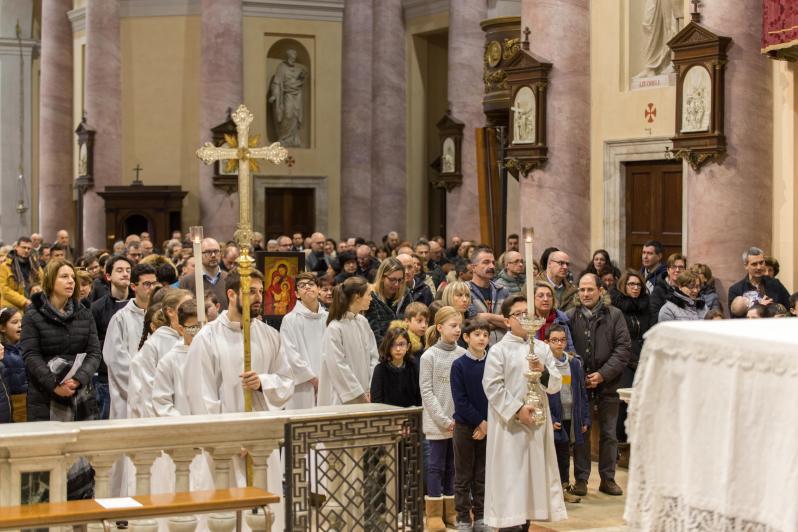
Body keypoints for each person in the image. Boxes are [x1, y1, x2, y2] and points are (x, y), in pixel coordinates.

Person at [482, 294, 566, 529]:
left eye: (527, 314)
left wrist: (543, 371)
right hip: (510, 426)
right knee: (511, 480)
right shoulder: (499, 350)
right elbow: (492, 386)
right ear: (507, 321)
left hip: (537, 424)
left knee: (531, 484)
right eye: (518, 315)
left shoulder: (542, 348)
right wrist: (517, 409)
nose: (524, 318)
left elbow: (556, 383)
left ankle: (526, 524)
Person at [565, 273, 631, 497]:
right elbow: (565, 348)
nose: (585, 294)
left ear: (600, 290)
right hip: (580, 385)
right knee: (582, 433)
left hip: (608, 384)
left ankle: (608, 478)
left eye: (589, 289)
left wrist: (602, 374)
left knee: (609, 434)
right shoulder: (570, 316)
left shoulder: (615, 315)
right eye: (581, 290)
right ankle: (581, 479)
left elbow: (623, 349)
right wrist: (579, 374)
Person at [21, 259, 102, 424]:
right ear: (51, 280)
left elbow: (94, 352)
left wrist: (78, 379)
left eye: (72, 277)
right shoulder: (32, 314)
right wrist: (55, 385)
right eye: (64, 276)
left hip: (80, 392)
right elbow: (31, 355)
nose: (71, 281)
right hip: (45, 394)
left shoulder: (84, 313)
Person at [420, 306, 466, 531]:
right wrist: (443, 419)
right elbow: (426, 391)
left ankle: (452, 510)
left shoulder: (462, 354)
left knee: (453, 467)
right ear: (439, 328)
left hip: (458, 421)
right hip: (437, 421)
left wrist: (460, 417)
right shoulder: (429, 356)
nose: (458, 330)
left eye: (459, 326)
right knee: (436, 466)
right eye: (453, 326)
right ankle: (434, 514)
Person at [450, 318, 491, 531]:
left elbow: (494, 394)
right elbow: (460, 400)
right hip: (465, 427)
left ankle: (482, 516)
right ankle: (463, 518)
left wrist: (487, 424)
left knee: (482, 475)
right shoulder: (459, 365)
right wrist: (480, 422)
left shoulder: (492, 362)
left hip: (488, 426)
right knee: (463, 475)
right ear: (466, 338)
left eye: (485, 334)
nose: (482, 338)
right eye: (477, 334)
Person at [101, 262, 156, 419]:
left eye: (154, 283)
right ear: (133, 286)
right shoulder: (120, 319)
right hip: (129, 398)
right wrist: (144, 389)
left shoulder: (162, 318)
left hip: (158, 396)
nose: (151, 288)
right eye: (146, 284)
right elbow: (117, 363)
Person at [127, 288, 192, 418]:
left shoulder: (195, 339)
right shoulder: (155, 344)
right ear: (170, 311)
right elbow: (148, 394)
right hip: (168, 419)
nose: (190, 311)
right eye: (184, 306)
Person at [545, 324, 589, 505]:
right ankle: (550, 491)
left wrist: (584, 417)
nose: (559, 344)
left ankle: (564, 487)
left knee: (565, 455)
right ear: (546, 342)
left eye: (562, 340)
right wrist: (551, 418)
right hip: (554, 417)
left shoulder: (574, 363)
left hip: (571, 415)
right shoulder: (544, 365)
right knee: (553, 454)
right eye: (554, 340)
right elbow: (542, 393)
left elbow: (582, 392)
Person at [318, 276, 379, 406]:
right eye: (369, 294)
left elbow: (374, 356)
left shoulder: (363, 322)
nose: (371, 298)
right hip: (342, 397)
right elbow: (337, 366)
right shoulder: (335, 328)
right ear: (357, 297)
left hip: (367, 392)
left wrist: (371, 387)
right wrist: (358, 393)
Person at [610, 270, 650, 445]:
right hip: (624, 359)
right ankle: (621, 442)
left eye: (638, 285)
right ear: (623, 286)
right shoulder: (616, 308)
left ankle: (639, 441)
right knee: (624, 401)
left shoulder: (645, 306)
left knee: (643, 401)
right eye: (631, 284)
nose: (635, 288)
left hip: (643, 358)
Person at [280, 272, 327, 409]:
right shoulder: (290, 319)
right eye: (302, 285)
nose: (307, 287)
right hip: (302, 385)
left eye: (311, 284)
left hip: (328, 382)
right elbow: (290, 354)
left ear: (318, 289)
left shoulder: (329, 318)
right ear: (297, 294)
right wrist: (313, 379)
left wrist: (325, 380)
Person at [152, 300, 200, 417]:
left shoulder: (213, 354)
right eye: (193, 328)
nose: (200, 333)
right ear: (181, 329)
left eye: (203, 326)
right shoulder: (169, 361)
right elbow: (161, 402)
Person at [467, 246, 509, 346]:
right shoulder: (465, 291)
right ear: (473, 267)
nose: (491, 266)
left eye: (493, 263)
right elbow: (468, 325)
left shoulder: (503, 291)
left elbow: (511, 322)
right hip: (476, 348)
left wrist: (485, 316)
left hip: (502, 347)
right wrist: (500, 320)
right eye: (486, 262)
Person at [370, 326, 421, 408]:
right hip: (388, 417)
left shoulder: (413, 367)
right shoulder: (380, 369)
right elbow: (376, 401)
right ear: (388, 346)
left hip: (411, 416)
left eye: (401, 344)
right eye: (393, 345)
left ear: (408, 346)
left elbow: (419, 396)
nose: (398, 349)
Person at [365, 257, 409, 346]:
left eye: (400, 280)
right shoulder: (370, 297)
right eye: (392, 279)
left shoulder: (405, 295)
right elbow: (374, 335)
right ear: (382, 277)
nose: (396, 284)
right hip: (382, 352)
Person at [178, 237, 229, 310]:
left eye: (216, 251)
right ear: (199, 254)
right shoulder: (187, 281)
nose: (213, 255)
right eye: (208, 252)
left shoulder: (228, 278)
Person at [0, 236, 43, 311]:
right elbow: (5, 290)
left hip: (33, 304)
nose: (26, 250)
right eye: (23, 247)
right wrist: (24, 301)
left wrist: (36, 287)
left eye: (29, 248)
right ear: (16, 247)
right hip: (12, 307)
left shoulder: (35, 264)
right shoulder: (5, 266)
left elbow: (42, 280)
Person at [0, 307, 26, 422]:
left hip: (29, 402)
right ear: (2, 327)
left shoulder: (28, 346)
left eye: (21, 321)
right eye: (14, 322)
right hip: (12, 404)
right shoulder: (1, 351)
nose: (20, 325)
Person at [649, 253, 686, 324]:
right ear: (668, 270)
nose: (677, 270)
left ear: (685, 270)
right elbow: (654, 317)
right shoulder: (658, 290)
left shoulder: (688, 289)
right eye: (674, 267)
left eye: (681, 267)